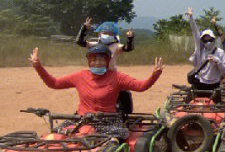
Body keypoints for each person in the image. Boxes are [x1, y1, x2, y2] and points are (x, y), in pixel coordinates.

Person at [29, 44, 163, 115]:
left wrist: (155, 74)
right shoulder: (80, 76)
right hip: (83, 119)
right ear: (89, 62)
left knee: (111, 148)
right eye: (94, 59)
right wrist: (38, 66)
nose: (97, 63)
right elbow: (54, 83)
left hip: (108, 121)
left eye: (101, 59)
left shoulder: (116, 77)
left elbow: (141, 86)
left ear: (107, 61)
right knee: (60, 138)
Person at [75, 17, 137, 112]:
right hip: (96, 75)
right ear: (99, 34)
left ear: (114, 36)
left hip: (111, 76)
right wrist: (84, 28)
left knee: (124, 94)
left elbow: (128, 48)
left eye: (110, 34)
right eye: (105, 33)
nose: (107, 35)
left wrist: (130, 38)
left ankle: (125, 116)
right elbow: (79, 42)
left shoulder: (115, 46)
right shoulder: (94, 45)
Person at [185, 7, 225, 94]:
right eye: (205, 40)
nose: (208, 42)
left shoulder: (220, 52)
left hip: (215, 84)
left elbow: (224, 70)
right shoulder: (200, 51)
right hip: (200, 82)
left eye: (210, 40)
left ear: (214, 39)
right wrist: (191, 18)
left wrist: (218, 61)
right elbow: (195, 32)